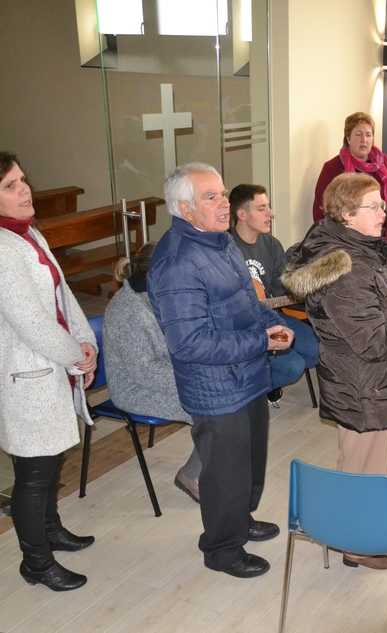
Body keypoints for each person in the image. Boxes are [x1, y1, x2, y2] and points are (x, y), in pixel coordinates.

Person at [283, 173, 387, 569]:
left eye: (382, 205)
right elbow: (373, 341)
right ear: (347, 214)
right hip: (362, 384)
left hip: (366, 380)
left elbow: (379, 309)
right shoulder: (346, 270)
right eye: (374, 207)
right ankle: (356, 545)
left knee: (360, 464)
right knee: (362, 470)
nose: (383, 213)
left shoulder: (361, 250)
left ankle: (353, 534)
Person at [149, 163, 293, 579]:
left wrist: (271, 324)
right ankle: (222, 548)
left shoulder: (220, 240)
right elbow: (189, 343)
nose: (224, 203)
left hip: (245, 374)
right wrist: (260, 341)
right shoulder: (177, 262)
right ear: (184, 209)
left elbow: (246, 299)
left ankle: (239, 521)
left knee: (249, 461)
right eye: (210, 197)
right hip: (215, 386)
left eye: (223, 193)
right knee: (225, 472)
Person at [0, 151, 97, 591]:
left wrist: (86, 343)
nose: (25, 190)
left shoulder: (27, 233)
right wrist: (75, 355)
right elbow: (32, 323)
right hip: (26, 377)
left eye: (23, 180)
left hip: (50, 367)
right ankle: (36, 563)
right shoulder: (3, 248)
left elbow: (63, 296)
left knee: (52, 459)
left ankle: (51, 529)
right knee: (34, 475)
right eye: (10, 185)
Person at [102, 243, 202, 503]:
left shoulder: (155, 296)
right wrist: (195, 378)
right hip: (134, 390)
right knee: (212, 408)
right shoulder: (129, 312)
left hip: (168, 374)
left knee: (228, 399)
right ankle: (191, 476)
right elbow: (145, 374)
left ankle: (214, 468)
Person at [228, 184, 321, 406]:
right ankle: (244, 392)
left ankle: (264, 383)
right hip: (241, 329)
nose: (270, 213)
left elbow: (282, 292)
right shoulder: (225, 247)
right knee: (293, 367)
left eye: (268, 207)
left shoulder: (271, 245)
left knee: (317, 351)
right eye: (262, 208)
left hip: (272, 316)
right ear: (242, 214)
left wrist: (310, 291)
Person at [311, 112, 387, 284]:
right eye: (358, 134)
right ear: (348, 137)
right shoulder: (333, 168)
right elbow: (321, 211)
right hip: (352, 247)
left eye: (368, 134)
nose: (364, 140)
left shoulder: (385, 163)